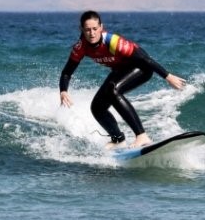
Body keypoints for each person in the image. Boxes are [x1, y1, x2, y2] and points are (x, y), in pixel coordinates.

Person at [58, 10, 185, 148]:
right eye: (87, 30)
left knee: (113, 90)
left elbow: (145, 59)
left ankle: (142, 136)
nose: (92, 33)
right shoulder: (81, 47)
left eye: (95, 29)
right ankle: (118, 139)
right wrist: (63, 90)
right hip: (120, 71)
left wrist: (167, 76)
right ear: (81, 29)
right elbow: (67, 72)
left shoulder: (112, 41)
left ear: (101, 27)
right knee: (97, 107)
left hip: (141, 68)